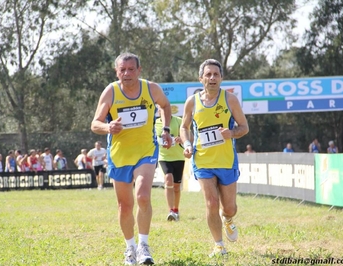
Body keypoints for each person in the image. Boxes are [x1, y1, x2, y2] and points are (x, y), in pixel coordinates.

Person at [91, 52, 172, 265]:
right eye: (122, 70)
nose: (126, 73)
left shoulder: (151, 89)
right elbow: (95, 123)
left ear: (139, 70)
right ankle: (130, 248)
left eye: (130, 69)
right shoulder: (111, 91)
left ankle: (144, 246)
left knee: (143, 196)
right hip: (120, 155)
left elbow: (165, 106)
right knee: (124, 206)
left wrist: (164, 129)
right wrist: (108, 127)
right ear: (117, 72)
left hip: (146, 151)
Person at [180, 59, 249, 257]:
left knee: (229, 208)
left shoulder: (230, 100)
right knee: (211, 202)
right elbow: (184, 127)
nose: (212, 78)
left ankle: (227, 219)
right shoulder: (192, 102)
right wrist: (187, 144)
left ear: (221, 78)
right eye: (208, 74)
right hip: (202, 161)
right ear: (200, 78)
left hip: (226, 161)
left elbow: (244, 127)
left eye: (215, 75)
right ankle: (219, 245)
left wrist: (232, 133)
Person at [155, 109, 185, 221]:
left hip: (178, 157)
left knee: (177, 187)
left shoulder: (178, 121)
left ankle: (176, 209)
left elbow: (189, 136)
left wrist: (182, 139)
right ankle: (170, 211)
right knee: (168, 179)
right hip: (164, 157)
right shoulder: (155, 123)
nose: (162, 112)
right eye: (160, 110)